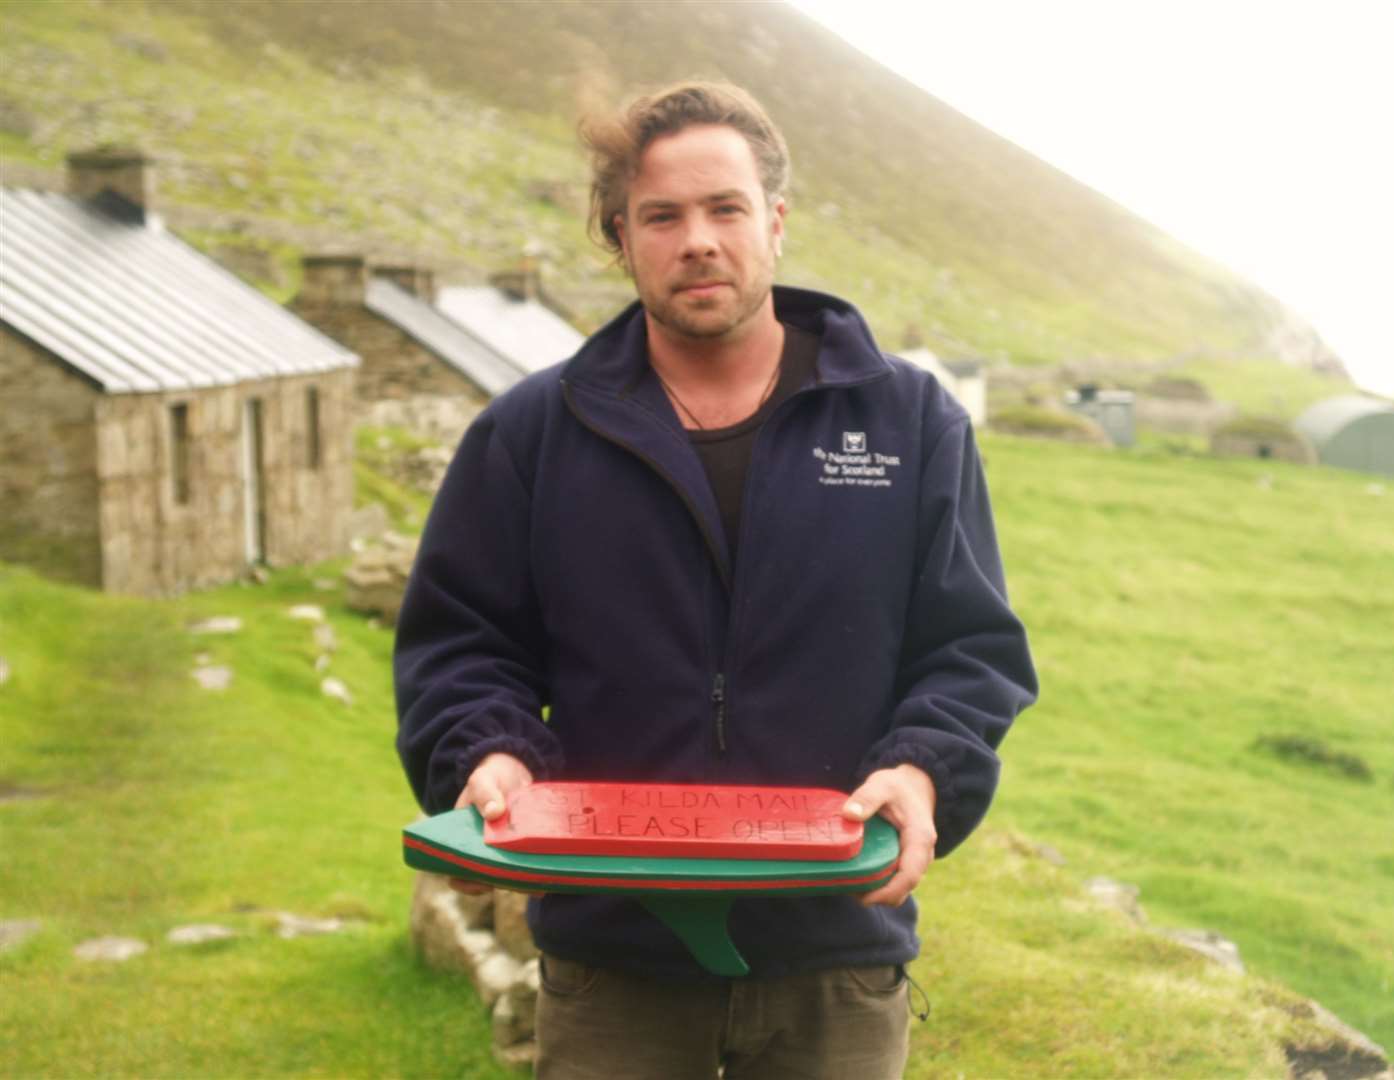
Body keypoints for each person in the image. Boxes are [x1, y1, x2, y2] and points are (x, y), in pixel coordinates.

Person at [395, 81, 1037, 1079]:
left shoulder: (909, 422)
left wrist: (923, 766)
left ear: (774, 224)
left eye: (725, 208)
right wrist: (488, 749)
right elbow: (461, 643)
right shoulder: (532, 434)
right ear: (620, 236)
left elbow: (969, 648)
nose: (698, 239)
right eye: (663, 215)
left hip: (838, 954)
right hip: (613, 964)